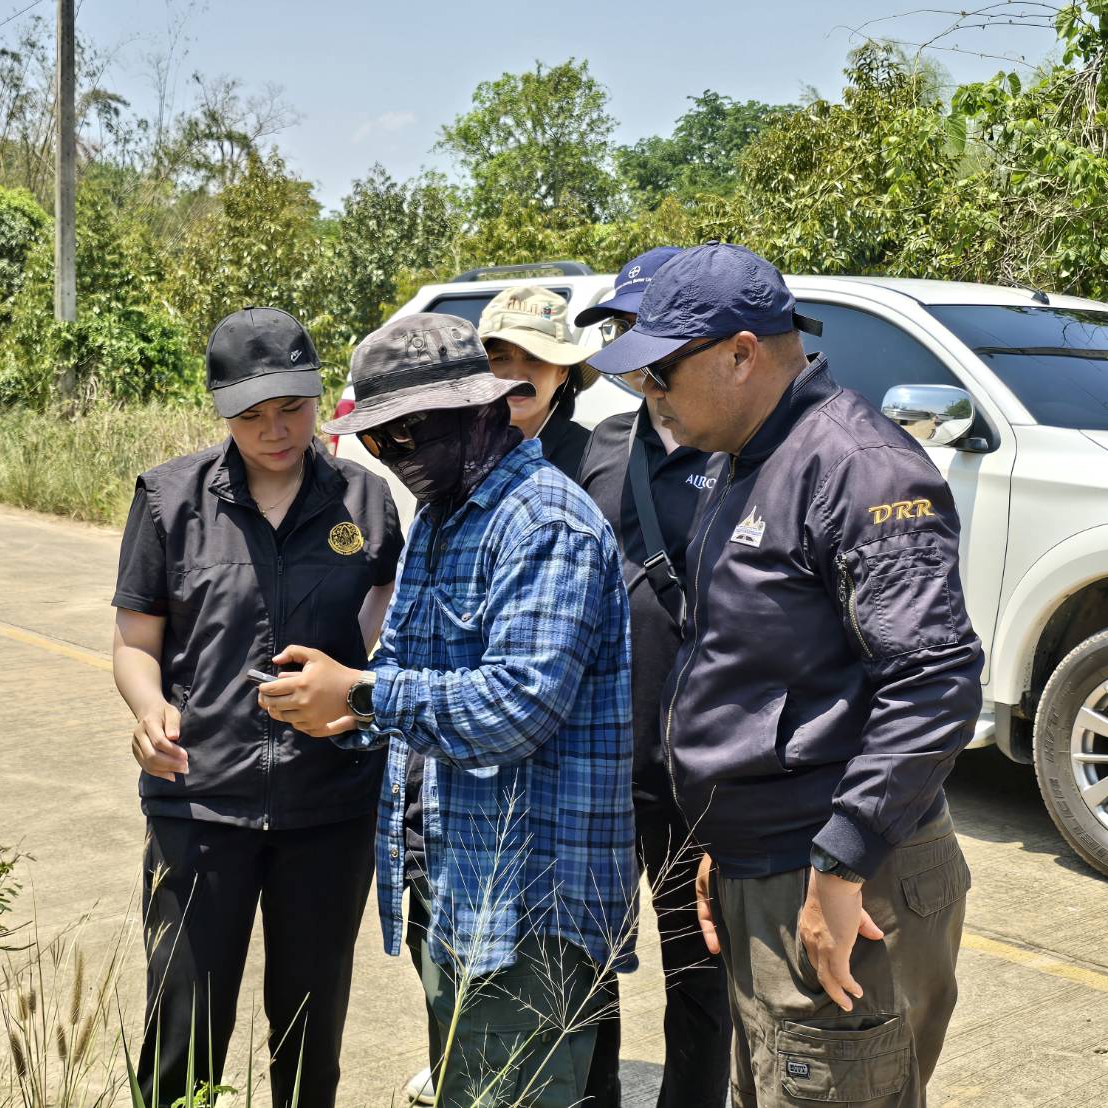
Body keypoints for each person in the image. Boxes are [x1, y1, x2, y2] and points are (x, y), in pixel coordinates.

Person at [591, 243, 983, 1108]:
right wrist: (717, 833)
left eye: (658, 371)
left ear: (739, 353)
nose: (645, 393)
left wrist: (840, 864)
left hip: (839, 868)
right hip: (756, 858)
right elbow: (744, 667)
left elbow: (933, 680)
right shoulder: (744, 457)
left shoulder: (856, 467)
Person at [256, 313, 640, 1108]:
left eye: (416, 433)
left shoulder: (542, 523)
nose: (398, 455)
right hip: (454, 887)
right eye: (381, 439)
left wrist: (363, 692)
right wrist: (349, 715)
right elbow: (409, 676)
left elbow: (519, 706)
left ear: (485, 411)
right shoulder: (441, 517)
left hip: (529, 900)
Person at [111, 306, 403, 1108]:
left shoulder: (365, 500)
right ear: (219, 410)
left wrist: (357, 689)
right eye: (251, 414)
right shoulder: (171, 499)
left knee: (311, 1034)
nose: (275, 430)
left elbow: (388, 630)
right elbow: (137, 640)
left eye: (293, 408)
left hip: (330, 804)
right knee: (183, 1031)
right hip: (199, 801)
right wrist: (147, 711)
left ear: (318, 399)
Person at [572, 246, 733, 1108]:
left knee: (699, 979)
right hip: (602, 768)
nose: (633, 351)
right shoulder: (601, 446)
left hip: (694, 780)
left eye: (644, 331)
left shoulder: (742, 455)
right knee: (586, 966)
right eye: (619, 330)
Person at [478, 284, 600, 476]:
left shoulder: (593, 458)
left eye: (534, 358)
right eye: (500, 359)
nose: (516, 377)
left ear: (562, 371)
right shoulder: (456, 453)